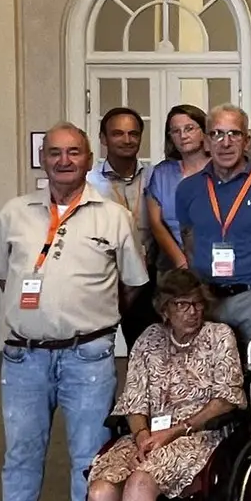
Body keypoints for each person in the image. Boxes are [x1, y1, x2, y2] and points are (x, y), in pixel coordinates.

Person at [0, 123, 148, 501]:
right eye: (55, 153)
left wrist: (88, 317)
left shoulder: (113, 217)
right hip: (24, 359)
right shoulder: (13, 214)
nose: (64, 160)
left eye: (74, 153)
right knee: (21, 453)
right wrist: (39, 316)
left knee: (88, 458)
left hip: (88, 358)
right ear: (42, 160)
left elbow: (131, 285)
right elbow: (2, 277)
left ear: (90, 160)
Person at [74, 270, 244, 501]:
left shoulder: (219, 338)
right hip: (149, 437)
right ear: (164, 309)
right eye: (183, 305)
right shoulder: (148, 342)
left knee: (140, 483)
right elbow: (134, 402)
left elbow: (226, 399)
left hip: (195, 437)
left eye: (198, 304)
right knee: (101, 491)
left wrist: (176, 430)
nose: (193, 312)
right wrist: (141, 434)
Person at [174, 106, 251, 479]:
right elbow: (191, 245)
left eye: (234, 134)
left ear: (247, 140)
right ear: (206, 140)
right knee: (203, 390)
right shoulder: (188, 190)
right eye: (217, 134)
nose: (225, 143)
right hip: (206, 303)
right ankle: (209, 472)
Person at [89, 108, 155, 346]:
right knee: (96, 348)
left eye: (133, 134)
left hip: (147, 278)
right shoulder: (89, 183)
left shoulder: (154, 177)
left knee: (143, 348)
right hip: (104, 275)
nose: (127, 140)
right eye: (118, 134)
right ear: (103, 139)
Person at [146, 105, 211, 272]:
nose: (183, 136)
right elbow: (156, 223)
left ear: (204, 131)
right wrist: (181, 263)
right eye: (176, 131)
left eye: (189, 128)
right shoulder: (162, 173)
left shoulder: (220, 168)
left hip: (219, 259)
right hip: (178, 263)